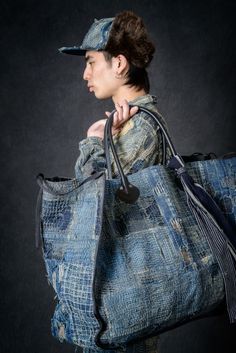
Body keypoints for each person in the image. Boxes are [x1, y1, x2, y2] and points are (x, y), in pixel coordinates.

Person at [59, 10, 169, 353]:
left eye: (92, 62)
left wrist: (93, 142)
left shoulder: (144, 129)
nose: (85, 74)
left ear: (119, 64)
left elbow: (90, 208)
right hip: (117, 298)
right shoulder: (127, 128)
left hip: (125, 300)